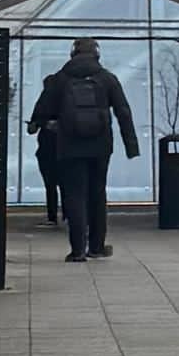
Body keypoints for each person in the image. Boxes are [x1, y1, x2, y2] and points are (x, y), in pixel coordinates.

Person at [29, 37, 138, 264]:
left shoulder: (60, 79)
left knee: (74, 194)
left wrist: (38, 123)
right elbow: (123, 111)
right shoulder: (107, 78)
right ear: (97, 54)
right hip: (100, 146)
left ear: (72, 54)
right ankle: (97, 247)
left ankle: (77, 250)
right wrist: (131, 145)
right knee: (97, 193)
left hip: (69, 145)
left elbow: (42, 109)